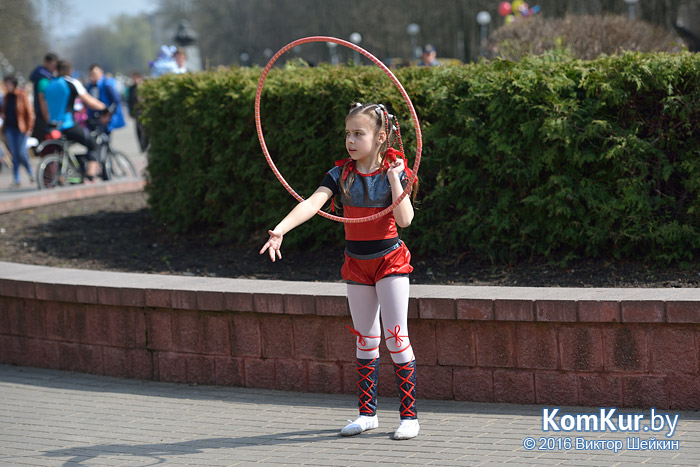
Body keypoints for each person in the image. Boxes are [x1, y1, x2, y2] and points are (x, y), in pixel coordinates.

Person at [260, 102, 420, 440]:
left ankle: (409, 417)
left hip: (389, 261)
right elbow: (312, 202)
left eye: (358, 134)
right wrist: (281, 229)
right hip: (356, 263)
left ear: (380, 137)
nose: (350, 140)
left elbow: (405, 220)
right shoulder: (341, 173)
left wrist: (394, 179)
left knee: (396, 335)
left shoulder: (394, 169)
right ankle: (367, 414)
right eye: (347, 133)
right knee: (365, 338)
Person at [43, 60, 106, 181]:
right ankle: (90, 175)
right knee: (94, 144)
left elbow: (45, 107)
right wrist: (104, 108)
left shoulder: (49, 85)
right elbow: (89, 101)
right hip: (67, 125)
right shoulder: (71, 83)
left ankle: (69, 172)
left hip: (52, 126)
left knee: (64, 150)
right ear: (70, 71)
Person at [1, 75, 35, 187]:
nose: (7, 86)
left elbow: (30, 113)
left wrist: (29, 128)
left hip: (21, 129)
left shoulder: (22, 95)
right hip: (9, 129)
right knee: (14, 154)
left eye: (9, 83)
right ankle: (16, 179)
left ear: (14, 84)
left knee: (21, 153)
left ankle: (30, 172)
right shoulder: (6, 97)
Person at [86, 64, 125, 134]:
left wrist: (107, 115)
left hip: (105, 118)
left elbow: (116, 100)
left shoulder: (106, 84)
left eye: (95, 74)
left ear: (101, 73)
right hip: (93, 118)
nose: (93, 77)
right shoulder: (90, 86)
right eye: (91, 74)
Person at [29, 53, 58, 142]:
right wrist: (47, 117)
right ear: (46, 63)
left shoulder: (44, 75)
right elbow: (43, 100)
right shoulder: (43, 79)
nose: (54, 68)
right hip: (42, 113)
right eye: (53, 65)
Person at [127, 72, 148, 152]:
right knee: (138, 129)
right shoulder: (132, 88)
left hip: (144, 110)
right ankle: (141, 146)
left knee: (145, 128)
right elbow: (129, 100)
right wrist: (130, 111)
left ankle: (145, 143)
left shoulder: (144, 87)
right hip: (136, 111)